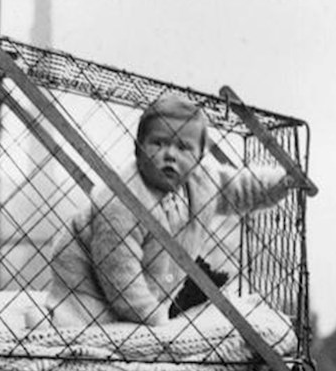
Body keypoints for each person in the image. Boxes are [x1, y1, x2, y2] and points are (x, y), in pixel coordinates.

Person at [46, 93, 294, 327]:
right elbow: (120, 275)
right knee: (83, 323)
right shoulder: (121, 201)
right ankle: (53, 314)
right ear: (137, 148)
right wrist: (154, 320)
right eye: (158, 143)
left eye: (183, 147)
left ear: (199, 158)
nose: (170, 155)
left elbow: (243, 188)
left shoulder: (203, 182)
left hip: (154, 285)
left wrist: (283, 183)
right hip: (86, 284)